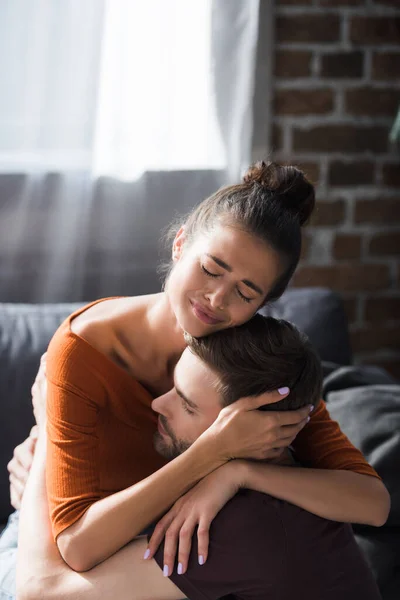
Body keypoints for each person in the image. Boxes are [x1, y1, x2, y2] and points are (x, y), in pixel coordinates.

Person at [2, 162, 389, 595]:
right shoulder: (84, 350)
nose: (217, 298)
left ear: (263, 303)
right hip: (49, 550)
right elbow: (71, 547)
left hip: (148, 560)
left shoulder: (249, 359)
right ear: (181, 243)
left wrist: (237, 472)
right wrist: (213, 452)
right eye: (211, 268)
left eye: (245, 292)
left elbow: (371, 503)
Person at [16, 313, 381, 599]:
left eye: (187, 406)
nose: (157, 404)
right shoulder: (275, 478)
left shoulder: (242, 525)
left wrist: (50, 429)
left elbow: (40, 590)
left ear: (256, 429)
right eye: (173, 387)